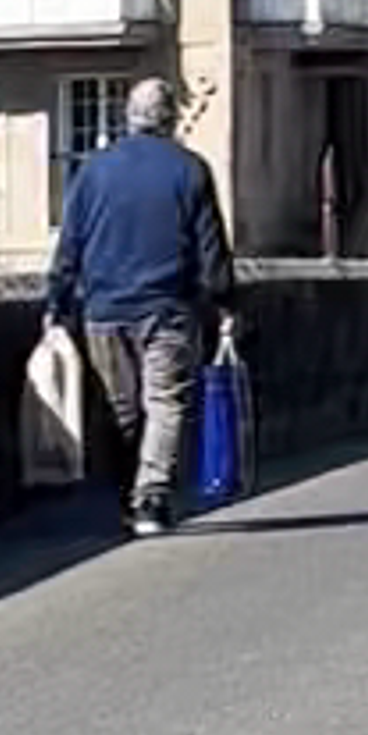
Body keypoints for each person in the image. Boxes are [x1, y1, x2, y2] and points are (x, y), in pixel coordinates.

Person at [47, 76, 233, 537]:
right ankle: (150, 497)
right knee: (165, 403)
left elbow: (70, 243)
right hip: (166, 306)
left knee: (121, 409)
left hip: (104, 308)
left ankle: (125, 496)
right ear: (171, 118)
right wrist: (225, 301)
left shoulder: (94, 170)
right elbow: (211, 247)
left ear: (128, 116)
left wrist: (56, 301)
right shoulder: (190, 169)